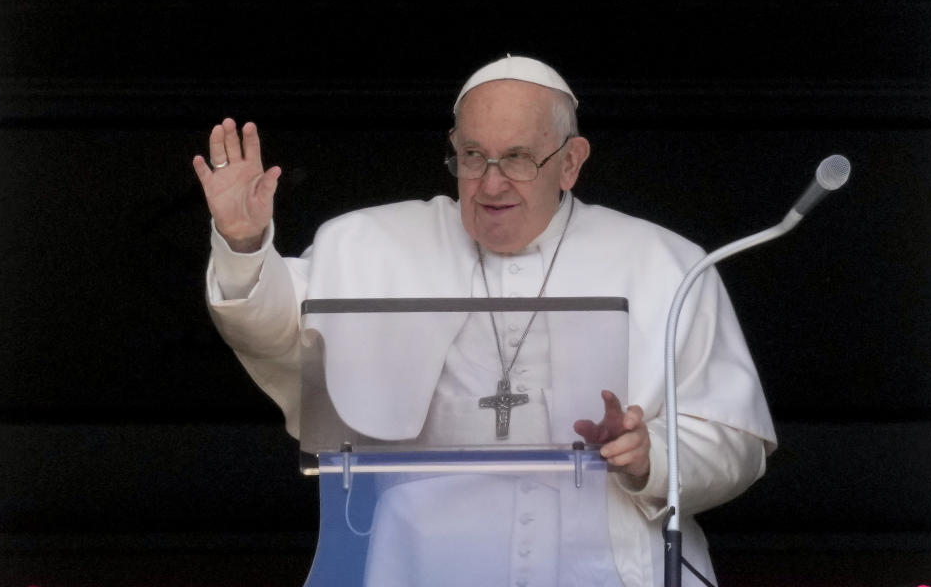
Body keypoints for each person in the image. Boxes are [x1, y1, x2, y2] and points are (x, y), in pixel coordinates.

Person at [193, 56, 777, 586]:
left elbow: (734, 440)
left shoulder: (663, 262)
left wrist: (652, 455)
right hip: (420, 562)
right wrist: (244, 245)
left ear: (570, 162)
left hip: (607, 563)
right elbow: (276, 332)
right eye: (473, 157)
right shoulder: (369, 242)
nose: (491, 183)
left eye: (519, 158)